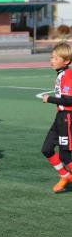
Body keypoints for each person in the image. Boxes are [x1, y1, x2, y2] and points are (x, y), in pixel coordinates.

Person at [41, 43, 72, 192]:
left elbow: (69, 100)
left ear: (66, 61)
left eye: (55, 58)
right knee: (46, 149)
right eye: (51, 57)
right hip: (59, 117)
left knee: (65, 156)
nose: (51, 60)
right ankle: (65, 175)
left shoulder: (67, 75)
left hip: (67, 118)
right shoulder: (60, 74)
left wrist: (49, 99)